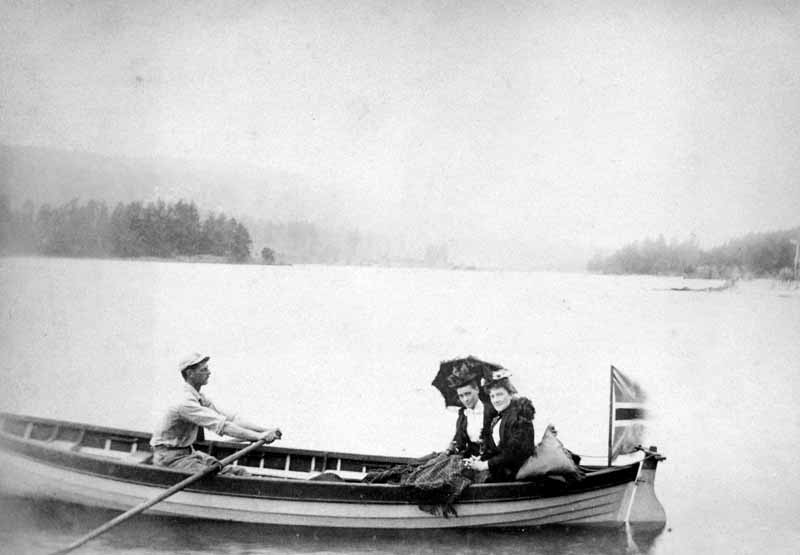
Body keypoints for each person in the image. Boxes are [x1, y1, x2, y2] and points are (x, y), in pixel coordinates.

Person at [150, 352, 281, 476]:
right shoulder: (184, 402)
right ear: (190, 373)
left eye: (207, 369)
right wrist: (259, 437)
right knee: (225, 478)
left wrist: (264, 430)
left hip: (188, 453)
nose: (209, 372)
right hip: (169, 458)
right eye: (204, 370)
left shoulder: (198, 397)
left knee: (240, 472)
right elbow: (223, 427)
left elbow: (232, 420)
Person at [464, 372, 535, 482]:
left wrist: (484, 465)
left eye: (499, 394)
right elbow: (498, 450)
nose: (496, 400)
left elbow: (514, 453)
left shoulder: (519, 417)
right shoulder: (500, 417)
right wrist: (481, 459)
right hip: (502, 469)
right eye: (492, 396)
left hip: (515, 474)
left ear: (510, 394)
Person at [445, 371, 496, 459]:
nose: (465, 399)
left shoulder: (492, 410)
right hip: (470, 456)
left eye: (468, 394)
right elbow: (459, 440)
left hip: (490, 458)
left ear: (477, 389)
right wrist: (453, 447)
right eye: (461, 396)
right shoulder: (463, 414)